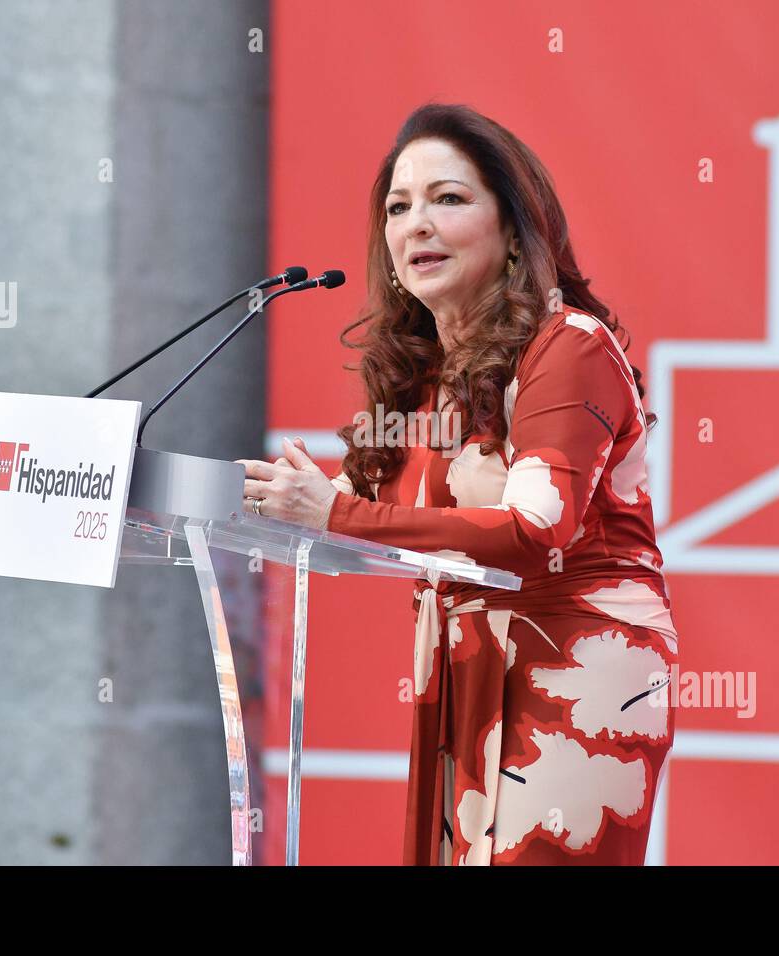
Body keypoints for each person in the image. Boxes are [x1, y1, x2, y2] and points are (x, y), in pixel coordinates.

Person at [236, 104, 677, 865]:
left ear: (514, 228)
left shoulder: (568, 348)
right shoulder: (433, 376)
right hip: (467, 669)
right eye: (398, 208)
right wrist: (298, 507)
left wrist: (338, 512)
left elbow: (534, 528)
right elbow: (399, 523)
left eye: (448, 199)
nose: (417, 225)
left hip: (574, 674)